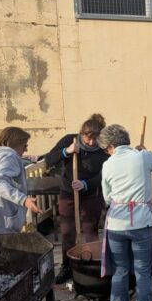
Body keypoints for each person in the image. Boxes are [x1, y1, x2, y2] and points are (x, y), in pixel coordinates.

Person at [99, 124, 152, 301]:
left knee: (120, 271)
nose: (107, 151)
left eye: (107, 148)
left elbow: (107, 197)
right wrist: (147, 153)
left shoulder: (108, 163)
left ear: (112, 146)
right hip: (141, 223)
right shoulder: (142, 156)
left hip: (116, 223)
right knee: (142, 272)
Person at [44, 114, 109, 284]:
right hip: (68, 193)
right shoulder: (69, 140)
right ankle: (67, 267)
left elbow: (105, 174)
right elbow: (48, 160)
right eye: (88, 139)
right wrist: (67, 151)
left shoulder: (103, 148)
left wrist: (87, 184)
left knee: (90, 230)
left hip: (92, 193)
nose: (91, 143)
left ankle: (94, 264)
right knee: (68, 232)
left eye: (95, 139)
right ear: (82, 134)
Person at [0, 127, 42, 233]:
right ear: (14, 143)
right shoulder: (10, 156)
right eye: (25, 145)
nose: (26, 150)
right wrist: (23, 200)